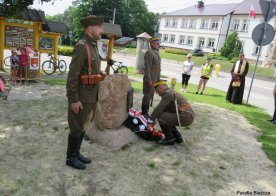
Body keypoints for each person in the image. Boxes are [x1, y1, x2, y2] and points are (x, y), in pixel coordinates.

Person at [66, 15, 107, 170]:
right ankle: (70, 158)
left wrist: (99, 73)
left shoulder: (93, 45)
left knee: (83, 126)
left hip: (91, 96)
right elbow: (72, 76)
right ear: (90, 28)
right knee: (76, 127)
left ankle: (76, 153)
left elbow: (88, 68)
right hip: (81, 97)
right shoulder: (82, 46)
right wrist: (73, 99)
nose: (102, 30)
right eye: (100, 27)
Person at [148, 80, 195, 145]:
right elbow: (164, 109)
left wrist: (150, 121)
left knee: (161, 117)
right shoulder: (170, 92)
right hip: (187, 115)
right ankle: (178, 137)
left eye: (156, 90)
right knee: (166, 117)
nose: (157, 93)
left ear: (160, 87)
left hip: (185, 116)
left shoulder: (168, 94)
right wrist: (153, 119)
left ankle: (170, 139)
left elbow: (159, 108)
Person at [141, 37, 161, 117]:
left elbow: (157, 68)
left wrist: (158, 79)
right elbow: (147, 68)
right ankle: (144, 113)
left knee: (150, 96)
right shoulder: (149, 53)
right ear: (152, 43)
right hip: (150, 79)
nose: (159, 44)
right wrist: (149, 80)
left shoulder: (155, 52)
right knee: (147, 96)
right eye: (157, 43)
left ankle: (146, 113)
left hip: (155, 79)